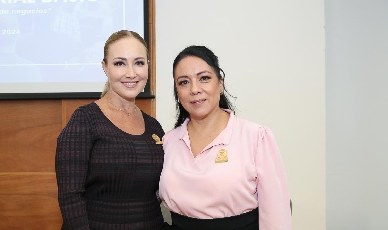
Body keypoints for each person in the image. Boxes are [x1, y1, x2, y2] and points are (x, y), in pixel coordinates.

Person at [159, 45, 292, 230]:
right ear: (177, 92)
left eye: (204, 78)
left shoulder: (256, 137)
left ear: (220, 83)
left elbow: (277, 217)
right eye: (184, 82)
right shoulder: (167, 142)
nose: (194, 89)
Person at [55, 30, 167, 229]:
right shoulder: (85, 120)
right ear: (105, 68)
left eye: (139, 62)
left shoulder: (154, 126)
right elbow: (70, 198)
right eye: (120, 63)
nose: (131, 73)